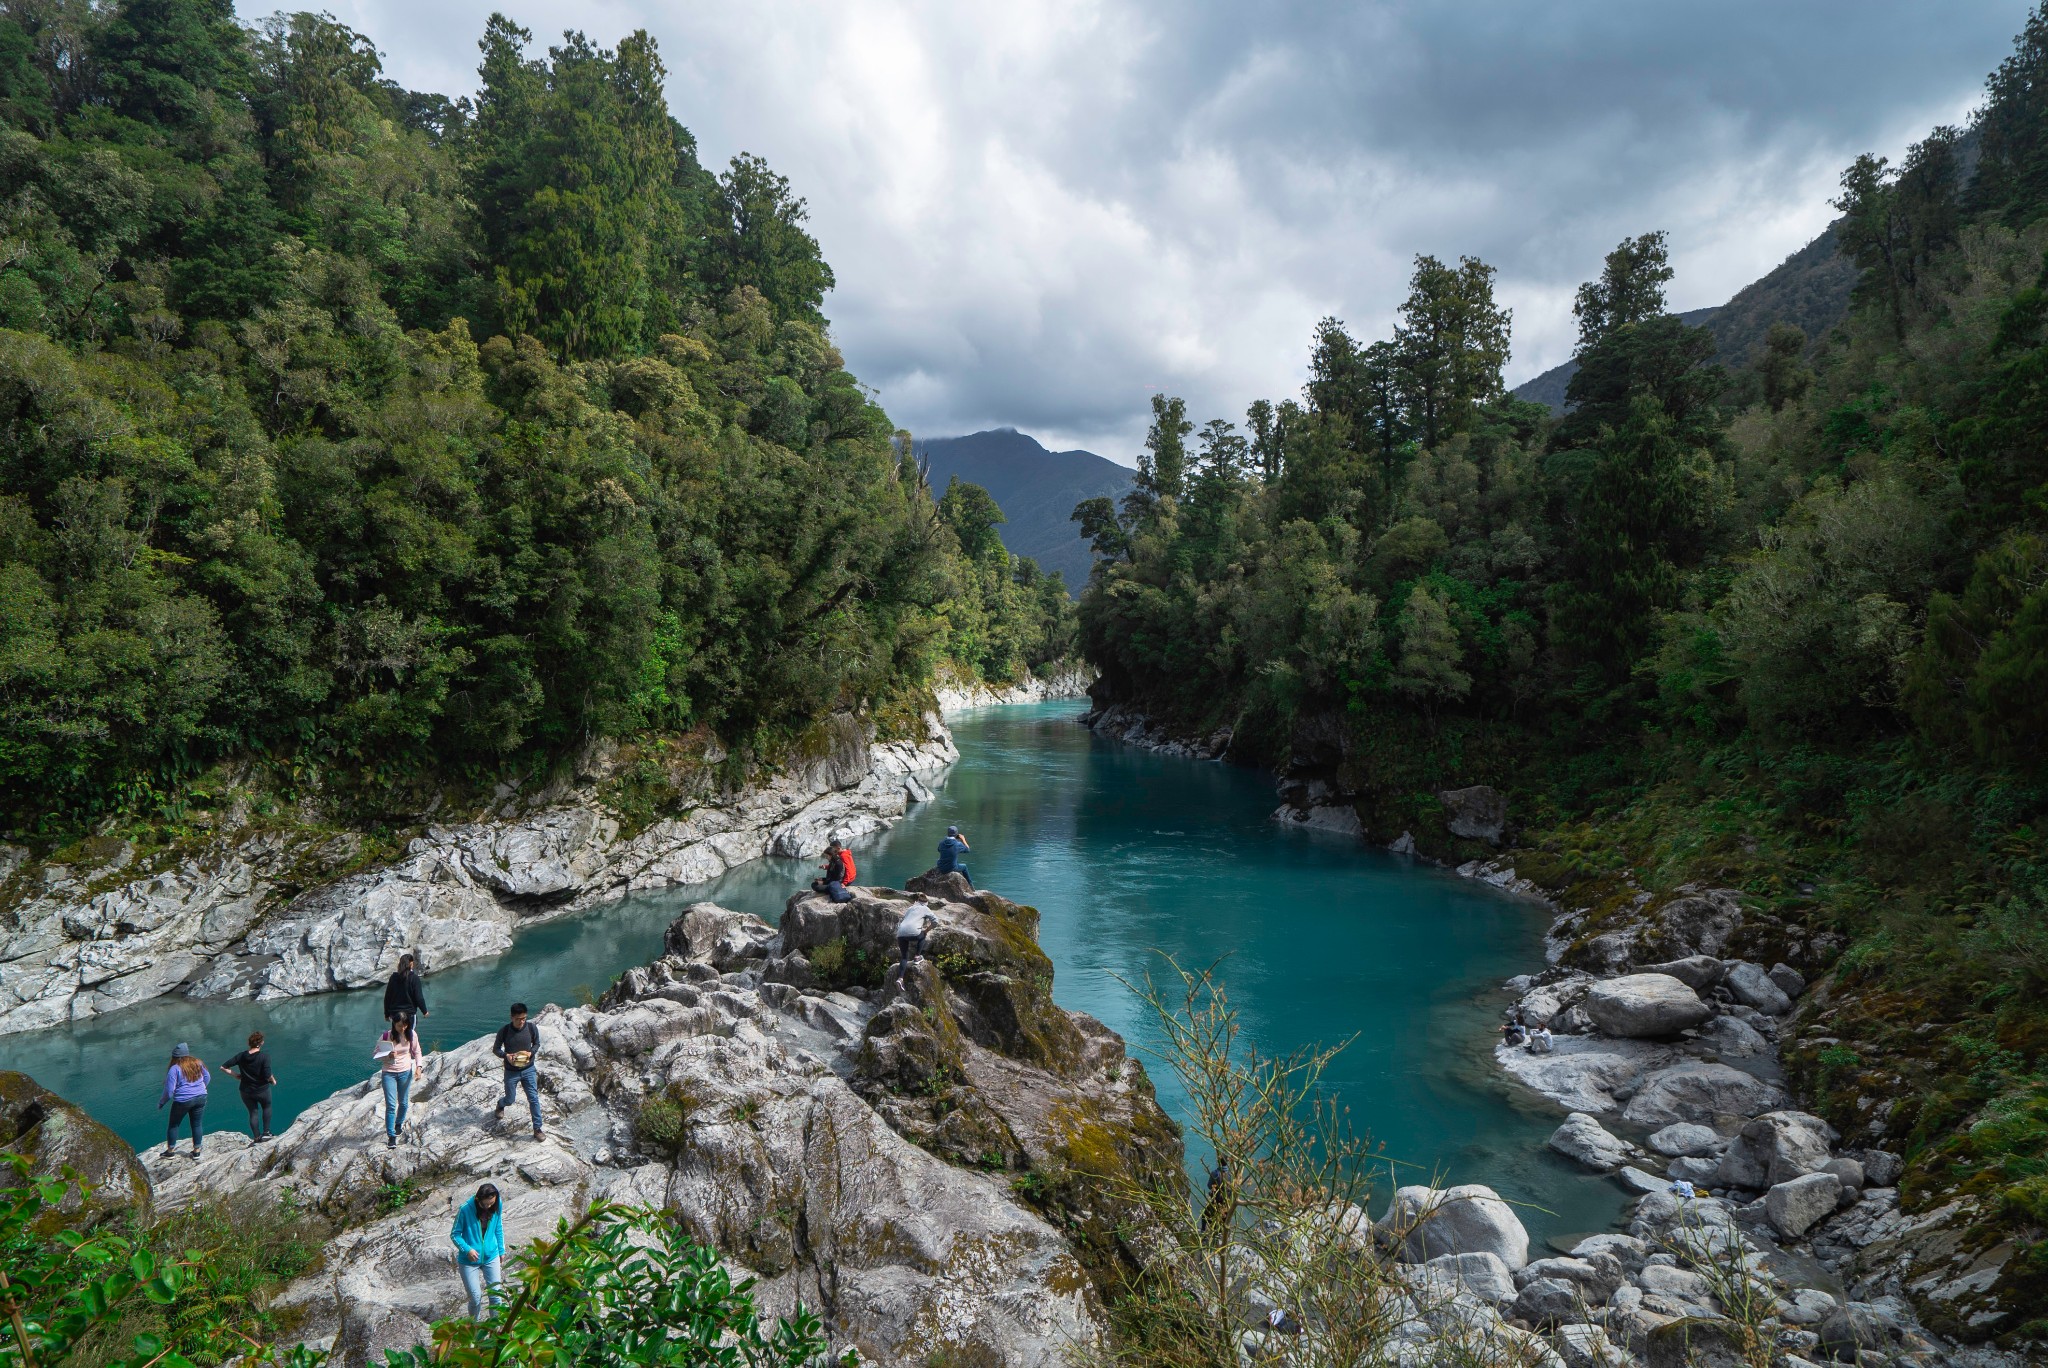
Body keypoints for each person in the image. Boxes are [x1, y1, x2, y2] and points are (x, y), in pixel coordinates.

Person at [451, 1183, 505, 1320]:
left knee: (496, 1296)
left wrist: (501, 1250)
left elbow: (498, 1227)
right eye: (485, 1205)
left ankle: (496, 1331)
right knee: (475, 1298)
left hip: (491, 1255)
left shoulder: (497, 1203)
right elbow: (455, 1234)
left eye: (491, 1204)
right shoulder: (465, 1209)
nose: (488, 1207)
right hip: (469, 1261)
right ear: (478, 1199)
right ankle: (474, 1331)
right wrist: (467, 1249)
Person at [493, 1003, 543, 1140]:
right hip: (511, 1071)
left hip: (529, 1069)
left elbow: (537, 1043)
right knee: (510, 1099)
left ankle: (537, 1129)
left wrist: (530, 1053)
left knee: (533, 1099)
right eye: (518, 1019)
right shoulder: (504, 1031)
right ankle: (500, 1104)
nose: (522, 1022)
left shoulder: (531, 1028)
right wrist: (506, 1056)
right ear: (511, 1017)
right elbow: (496, 1049)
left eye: (524, 1018)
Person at [376, 1012, 425, 1148]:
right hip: (389, 1073)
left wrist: (418, 1067)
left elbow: (417, 1051)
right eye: (399, 1026)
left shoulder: (411, 1035)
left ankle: (398, 1123)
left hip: (405, 1072)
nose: (402, 1028)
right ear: (394, 1024)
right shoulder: (387, 1036)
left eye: (405, 1025)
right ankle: (391, 1136)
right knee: (391, 1105)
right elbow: (376, 1054)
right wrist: (388, 1055)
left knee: (403, 1103)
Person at [222, 1031, 279, 1141]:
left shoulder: (241, 1056)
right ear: (261, 1043)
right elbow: (267, 1075)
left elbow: (223, 1067)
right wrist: (273, 1080)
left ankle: (257, 1137)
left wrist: (236, 1075)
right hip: (262, 1090)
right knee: (267, 1107)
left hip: (245, 1091)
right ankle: (266, 1132)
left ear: (249, 1043)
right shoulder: (264, 1056)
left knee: (253, 1112)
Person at [157, 1044, 209, 1159]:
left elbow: (169, 1091)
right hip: (201, 1096)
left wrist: (162, 1102)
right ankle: (196, 1151)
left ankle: (170, 1151)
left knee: (174, 1125)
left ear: (175, 1057)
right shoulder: (198, 1063)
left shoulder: (174, 1068)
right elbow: (207, 1077)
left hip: (183, 1101)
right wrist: (200, 1088)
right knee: (196, 1124)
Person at [383, 953, 429, 1024]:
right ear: (411, 964)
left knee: (397, 1034)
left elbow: (387, 997)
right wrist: (424, 1011)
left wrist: (386, 1014)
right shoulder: (414, 978)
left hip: (395, 1014)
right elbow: (419, 997)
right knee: (410, 1034)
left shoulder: (393, 977)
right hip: (409, 1014)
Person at [895, 902, 938, 971]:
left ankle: (900, 979)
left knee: (904, 957)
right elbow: (935, 921)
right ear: (926, 903)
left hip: (900, 933)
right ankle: (917, 957)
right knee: (923, 934)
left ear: (916, 901)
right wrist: (927, 930)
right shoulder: (925, 908)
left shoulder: (910, 908)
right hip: (913, 932)